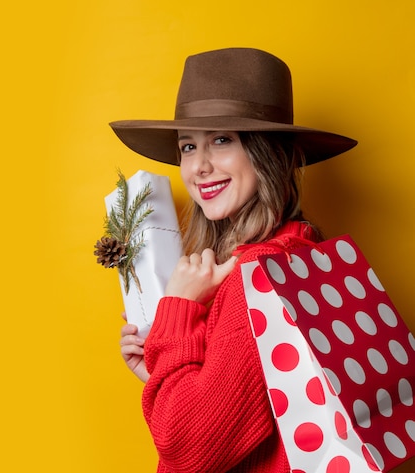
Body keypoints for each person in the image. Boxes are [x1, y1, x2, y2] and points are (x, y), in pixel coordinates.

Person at [109, 48, 357, 472]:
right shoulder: (300, 254)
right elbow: (248, 412)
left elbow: (188, 453)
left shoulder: (256, 278)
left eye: (223, 140)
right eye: (188, 146)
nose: (199, 167)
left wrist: (179, 309)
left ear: (269, 154)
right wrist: (160, 374)